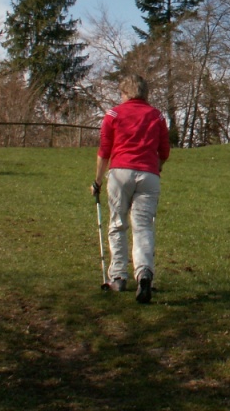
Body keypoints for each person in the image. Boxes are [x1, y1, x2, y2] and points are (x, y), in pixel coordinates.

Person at [90, 74, 170, 303]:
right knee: (143, 226)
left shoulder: (113, 114)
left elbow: (104, 150)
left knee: (117, 223)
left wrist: (97, 181)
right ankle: (144, 273)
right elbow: (164, 151)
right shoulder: (157, 116)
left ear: (125, 92)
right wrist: (157, 167)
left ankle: (118, 276)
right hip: (149, 175)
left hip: (120, 172)